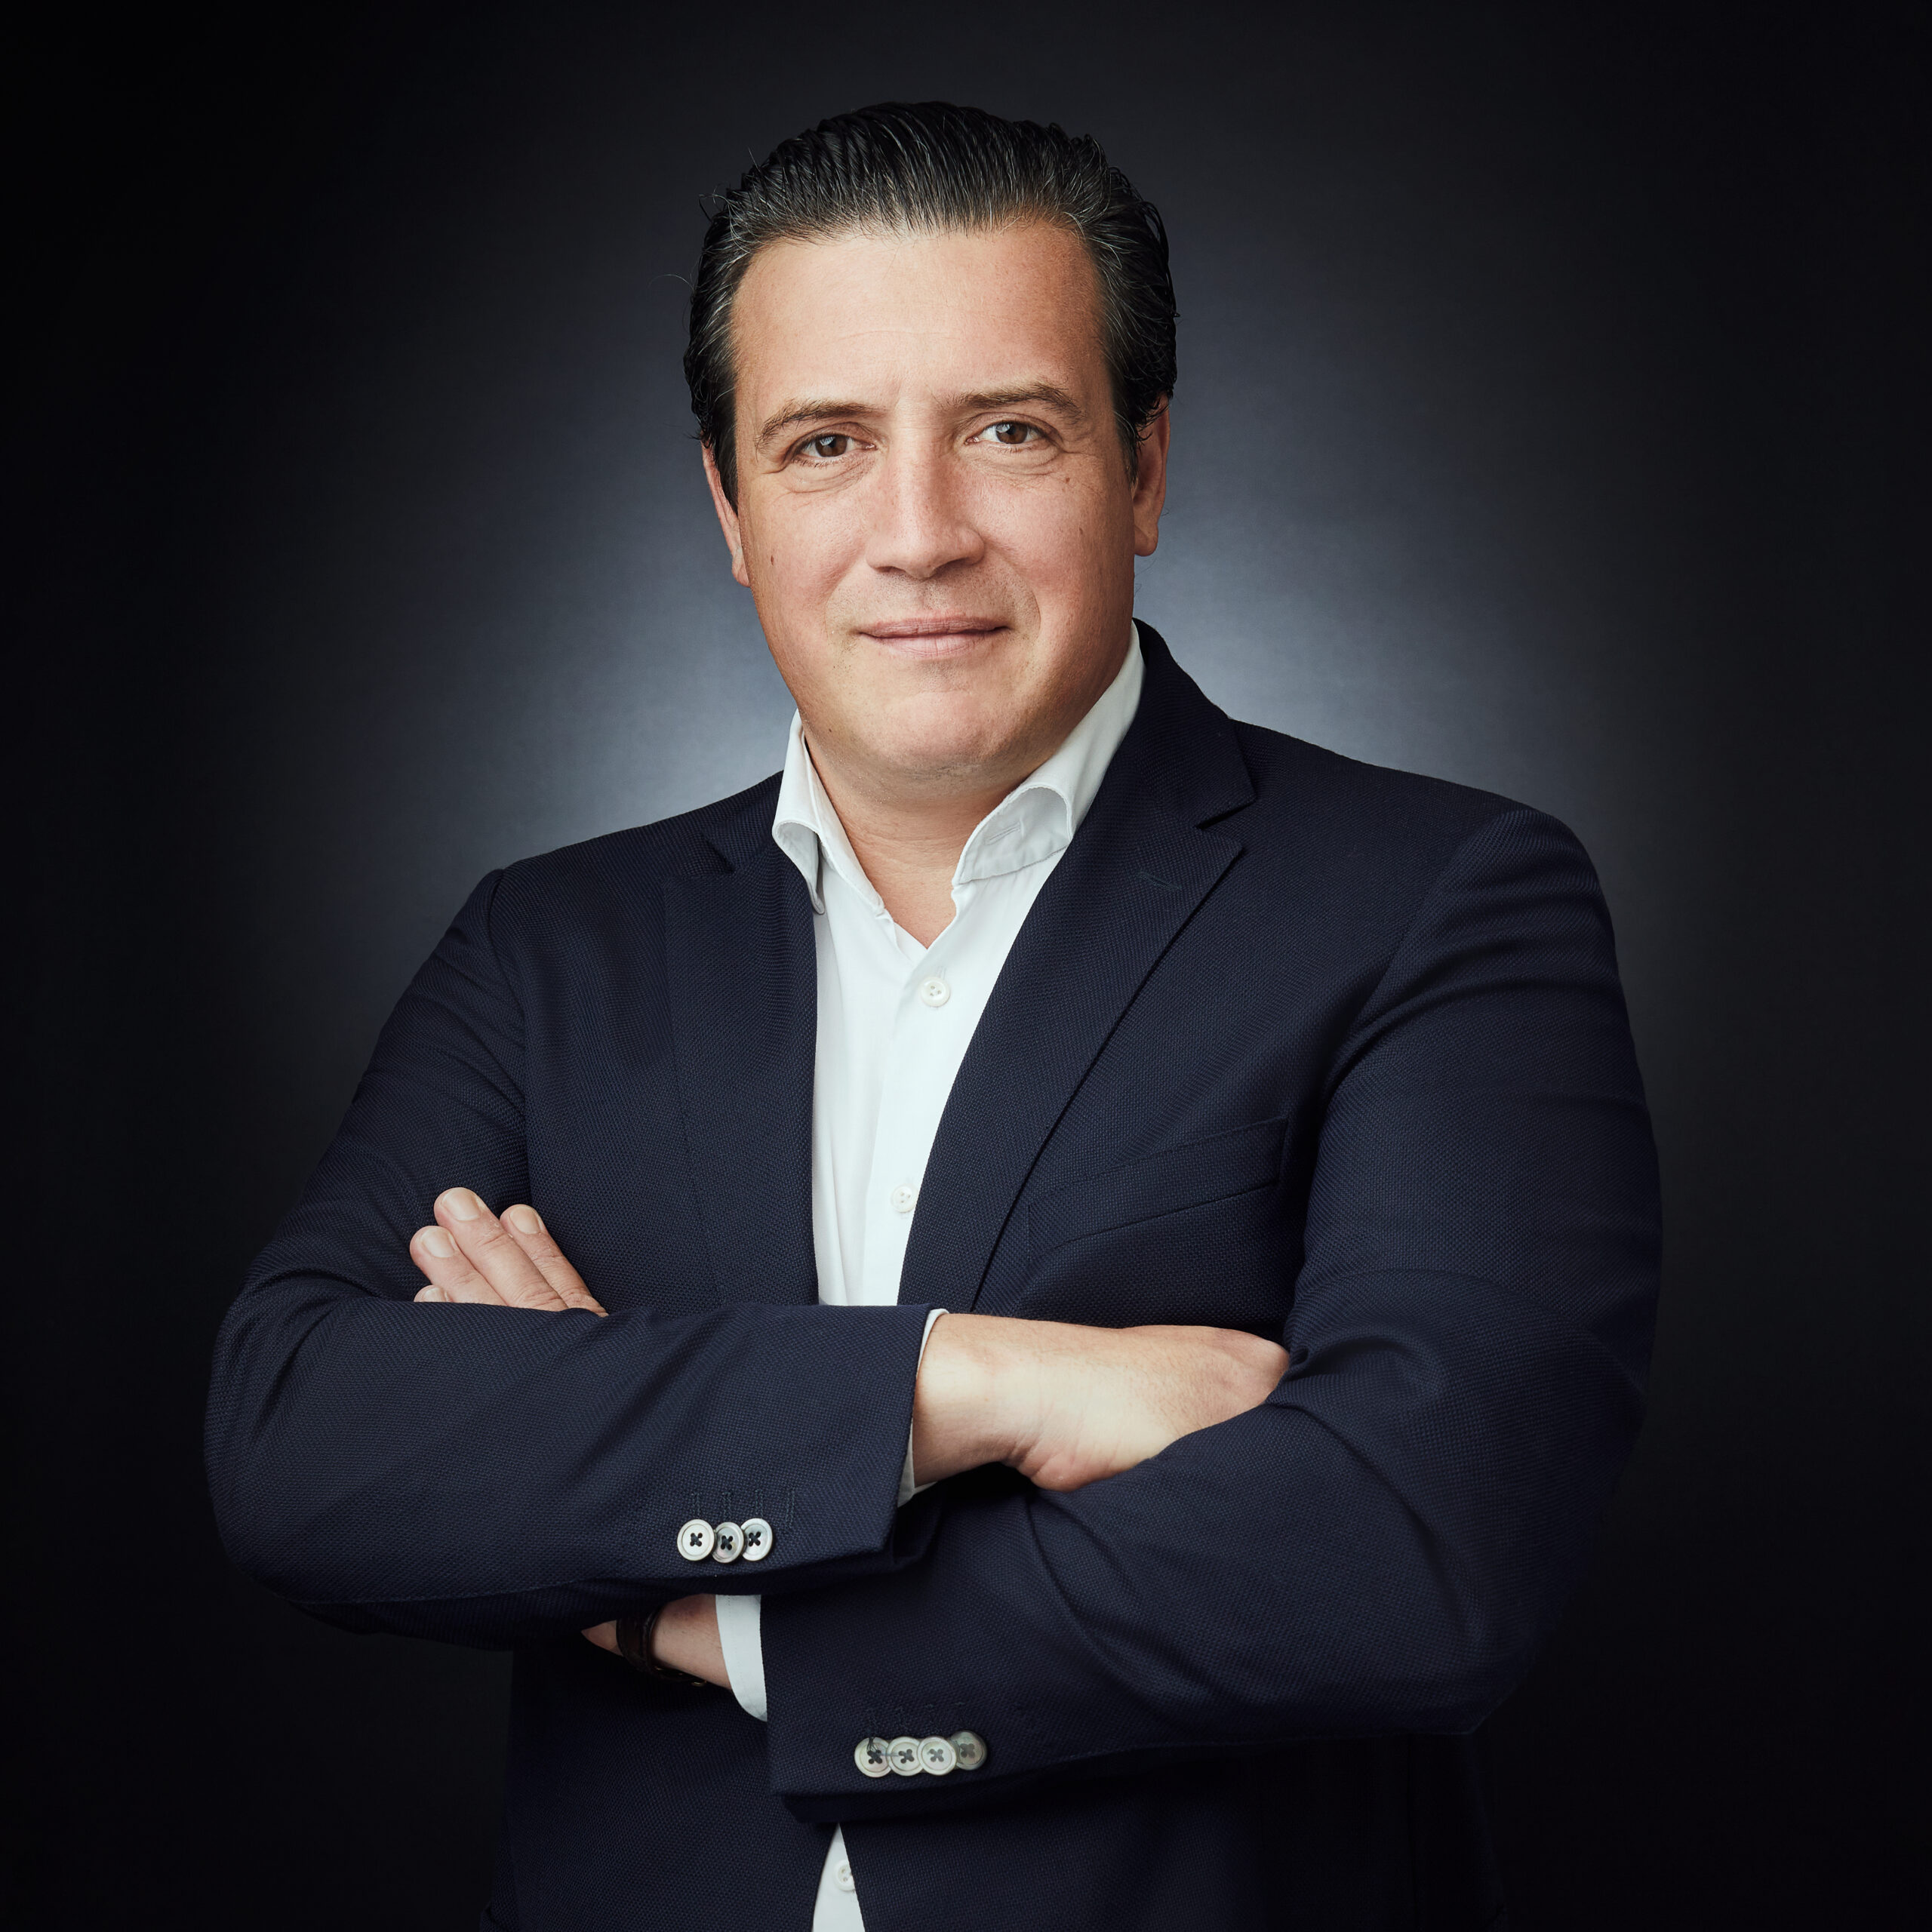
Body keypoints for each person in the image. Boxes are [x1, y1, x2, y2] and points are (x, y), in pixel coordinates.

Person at [206, 102, 1660, 1932]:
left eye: (1007, 431)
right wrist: (969, 1382)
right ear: (731, 510)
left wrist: (687, 1595)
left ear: (1141, 468)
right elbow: (305, 1439)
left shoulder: (1436, 898)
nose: (918, 535)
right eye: (825, 444)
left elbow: (1412, 1548)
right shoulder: (546, 946)